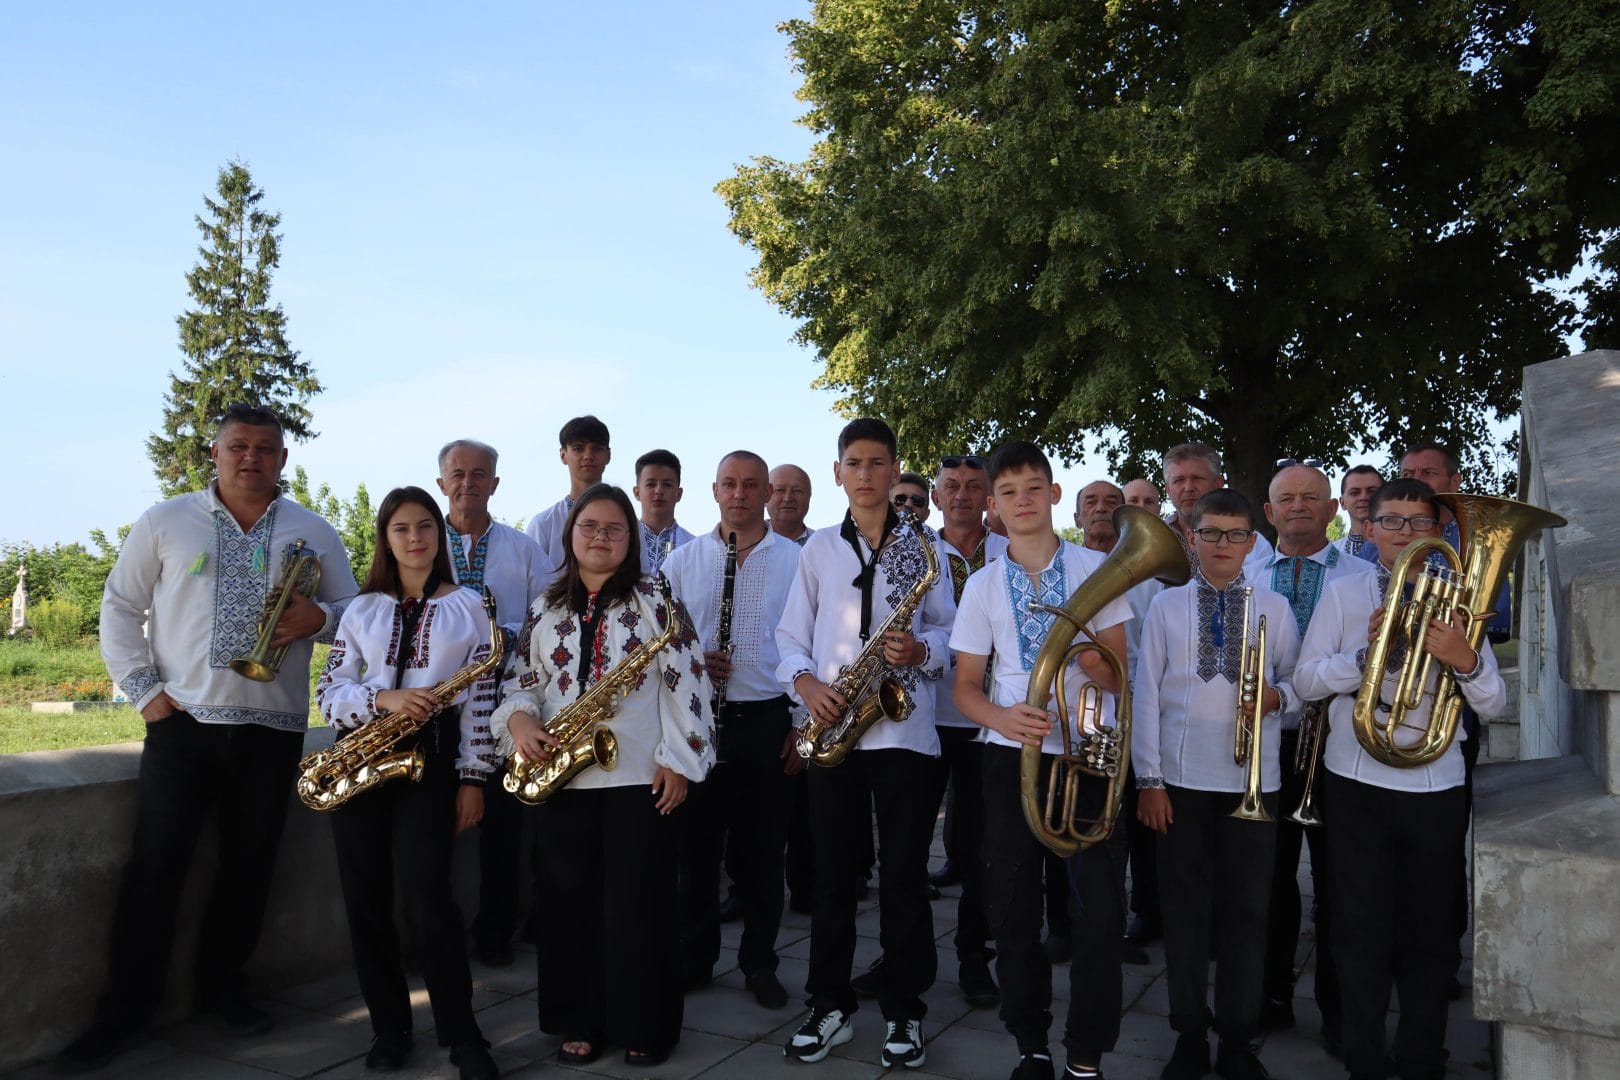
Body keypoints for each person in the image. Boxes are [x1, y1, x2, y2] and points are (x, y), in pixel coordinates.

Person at [63, 404, 358, 1072]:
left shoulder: (315, 532)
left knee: (249, 870)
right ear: (215, 454)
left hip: (273, 728)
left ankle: (223, 990)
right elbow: (120, 605)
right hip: (184, 726)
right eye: (237, 447)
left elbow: (355, 618)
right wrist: (146, 694)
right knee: (154, 870)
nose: (250, 457)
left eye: (264, 448)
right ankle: (124, 1013)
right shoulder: (166, 520)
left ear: (283, 460)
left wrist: (320, 617)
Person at [492, 484, 714, 1068]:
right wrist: (518, 723)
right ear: (571, 534)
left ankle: (645, 1024)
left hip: (641, 777)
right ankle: (581, 1020)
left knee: (639, 907)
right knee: (568, 909)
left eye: (614, 529)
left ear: (631, 539)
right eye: (589, 526)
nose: (600, 537)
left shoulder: (654, 599)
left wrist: (680, 761)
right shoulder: (545, 606)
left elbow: (689, 682)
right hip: (564, 779)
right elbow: (522, 680)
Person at [1293, 478, 1507, 1080]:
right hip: (1355, 783)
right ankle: (1362, 1056)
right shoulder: (1342, 594)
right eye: (1392, 522)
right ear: (1367, 528)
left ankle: (1420, 1058)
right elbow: (1306, 683)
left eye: (1419, 523)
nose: (1406, 534)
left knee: (1431, 936)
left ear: (1440, 533)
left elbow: (1491, 703)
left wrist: (1464, 658)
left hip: (1434, 787)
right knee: (1358, 932)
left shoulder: (1462, 599)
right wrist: (1364, 658)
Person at [952, 443, 1136, 1080]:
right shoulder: (981, 585)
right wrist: (1002, 718)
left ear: (1055, 495)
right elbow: (965, 689)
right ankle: (1030, 1042)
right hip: (1012, 759)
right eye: (1009, 493)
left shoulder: (1099, 568)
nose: (1023, 501)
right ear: (995, 507)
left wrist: (1096, 663)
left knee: (1100, 913)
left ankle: (1086, 1052)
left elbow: (1119, 675)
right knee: (1013, 909)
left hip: (1090, 758)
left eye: (1034, 488)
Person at [776, 417, 954, 1069]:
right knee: (832, 881)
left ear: (895, 467)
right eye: (855, 462)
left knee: (904, 879)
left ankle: (904, 1013)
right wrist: (804, 684)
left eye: (879, 463)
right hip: (836, 730)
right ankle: (829, 1006)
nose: (867, 473)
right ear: (838, 472)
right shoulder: (819, 548)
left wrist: (923, 647)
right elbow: (791, 636)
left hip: (904, 731)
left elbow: (953, 634)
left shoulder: (927, 550)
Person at [315, 487, 502, 1079]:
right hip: (361, 755)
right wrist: (381, 699)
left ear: (439, 536)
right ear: (385, 539)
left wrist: (473, 778)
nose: (416, 538)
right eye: (401, 529)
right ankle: (388, 1030)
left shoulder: (469, 606)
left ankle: (461, 1031)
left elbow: (480, 700)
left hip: (432, 757)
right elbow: (328, 694)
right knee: (365, 900)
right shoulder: (362, 610)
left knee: (430, 900)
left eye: (426, 526)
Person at [1134, 489, 1300, 1080]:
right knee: (1184, 915)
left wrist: (1278, 697)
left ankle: (1235, 1035)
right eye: (1211, 534)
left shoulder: (1274, 608)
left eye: (1235, 534)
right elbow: (1147, 697)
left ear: (1253, 541)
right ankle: (1188, 1034)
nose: (1223, 545)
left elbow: (1298, 689)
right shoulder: (1165, 607)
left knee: (1246, 917)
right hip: (1178, 785)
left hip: (1255, 784)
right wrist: (1149, 781)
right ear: (1192, 538)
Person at [666, 451, 803, 1009]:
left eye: (751, 485)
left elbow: (807, 646)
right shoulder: (682, 561)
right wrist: (699, 659)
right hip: (702, 723)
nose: (740, 494)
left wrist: (801, 724)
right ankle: (696, 958)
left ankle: (759, 962)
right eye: (729, 484)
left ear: (767, 491)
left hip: (768, 719)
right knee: (696, 853)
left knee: (765, 854)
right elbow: (663, 649)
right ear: (714, 490)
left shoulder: (796, 559)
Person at [1254, 464, 1374, 1056]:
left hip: (1338, 743)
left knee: (1339, 884)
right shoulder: (1245, 575)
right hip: (1266, 744)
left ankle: (1340, 1013)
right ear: (1269, 514)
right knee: (1267, 881)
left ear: (1333, 510)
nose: (1299, 506)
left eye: (1311, 497)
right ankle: (1268, 998)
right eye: (1285, 499)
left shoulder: (1365, 577)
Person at [435, 438, 554, 968]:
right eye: (457, 473)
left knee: (504, 829)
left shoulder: (522, 548)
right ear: (441, 483)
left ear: (495, 484)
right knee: (432, 822)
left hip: (505, 701)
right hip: (435, 704)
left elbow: (548, 615)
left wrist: (503, 636)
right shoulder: (421, 539)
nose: (468, 482)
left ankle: (495, 930)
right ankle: (431, 932)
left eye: (479, 473)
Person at [1077, 480, 1165, 960]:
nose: (1101, 509)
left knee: (1139, 818)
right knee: (1088, 822)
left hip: (1136, 712)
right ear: (1076, 518)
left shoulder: (1149, 576)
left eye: (1112, 502)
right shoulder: (1066, 568)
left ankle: (1142, 916)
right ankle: (1073, 922)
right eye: (1090, 502)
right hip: (1084, 717)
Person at [1162, 443, 1275, 572]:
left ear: (1218, 484)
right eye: (1179, 480)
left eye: (1197, 478)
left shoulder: (1254, 545)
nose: (1188, 488)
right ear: (1168, 490)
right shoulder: (1153, 541)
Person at [524, 415, 611, 567]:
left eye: (597, 448)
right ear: (563, 455)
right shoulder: (544, 525)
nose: (588, 456)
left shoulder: (628, 524)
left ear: (608, 455)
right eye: (578, 448)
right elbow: (532, 585)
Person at [633, 448, 693, 575]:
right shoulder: (623, 541)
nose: (659, 491)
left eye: (667, 485)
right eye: (651, 484)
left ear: (679, 493)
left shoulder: (694, 547)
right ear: (637, 492)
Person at [1333, 465, 1383, 561]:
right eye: (1355, 492)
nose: (1363, 497)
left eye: (1372, 491)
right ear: (1342, 502)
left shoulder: (1399, 547)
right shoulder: (1331, 553)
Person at [768, 463, 816, 546]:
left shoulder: (823, 545)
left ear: (809, 496)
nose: (787, 498)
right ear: (765, 495)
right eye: (780, 490)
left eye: (797, 491)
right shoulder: (746, 543)